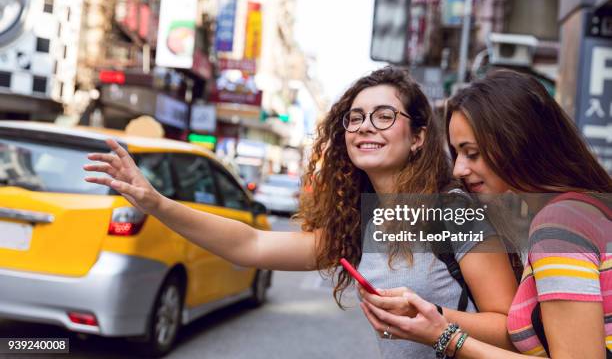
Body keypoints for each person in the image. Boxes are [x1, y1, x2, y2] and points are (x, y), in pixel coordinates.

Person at [83, 66, 517, 358]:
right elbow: (249, 245)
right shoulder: (365, 221)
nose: (365, 126)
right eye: (355, 117)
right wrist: (157, 203)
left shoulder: (453, 213)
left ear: (419, 137)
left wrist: (433, 321)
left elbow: (511, 328)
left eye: (384, 116)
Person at [359, 69, 612, 358]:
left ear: (517, 140)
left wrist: (444, 337)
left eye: (472, 153)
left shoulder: (560, 225)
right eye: (457, 153)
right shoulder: (592, 209)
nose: (459, 170)